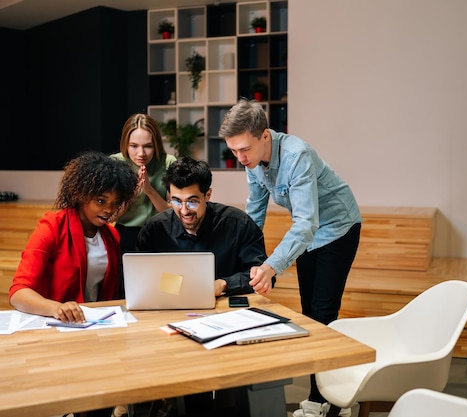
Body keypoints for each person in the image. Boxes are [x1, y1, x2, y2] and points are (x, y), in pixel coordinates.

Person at [219, 98, 362, 417]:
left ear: (264, 136)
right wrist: (247, 262)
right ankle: (328, 395)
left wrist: (271, 266)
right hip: (310, 232)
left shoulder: (296, 155)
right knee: (310, 313)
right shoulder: (252, 163)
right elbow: (254, 213)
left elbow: (306, 223)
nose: (240, 158)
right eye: (234, 151)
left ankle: (324, 402)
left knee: (323, 313)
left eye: (244, 150)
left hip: (338, 226)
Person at [135, 156, 269, 416]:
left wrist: (222, 284)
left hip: (228, 323)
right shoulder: (155, 229)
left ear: (208, 194)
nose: (184, 210)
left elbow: (260, 273)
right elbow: (139, 279)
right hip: (170, 323)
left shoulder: (238, 224)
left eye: (192, 201)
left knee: (233, 392)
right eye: (176, 200)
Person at [9, 151, 138, 417]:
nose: (109, 210)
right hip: (57, 333)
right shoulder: (52, 226)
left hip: (95, 332)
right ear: (81, 194)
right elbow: (18, 292)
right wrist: (56, 307)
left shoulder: (111, 235)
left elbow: (109, 294)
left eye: (115, 203)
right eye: (101, 201)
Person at [111, 113, 177, 296]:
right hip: (125, 233)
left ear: (156, 144)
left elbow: (174, 213)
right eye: (134, 146)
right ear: (125, 144)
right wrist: (133, 193)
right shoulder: (115, 163)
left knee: (164, 290)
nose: (141, 153)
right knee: (124, 290)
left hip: (160, 231)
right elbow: (111, 216)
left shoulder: (168, 162)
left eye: (148, 146)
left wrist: (149, 190)